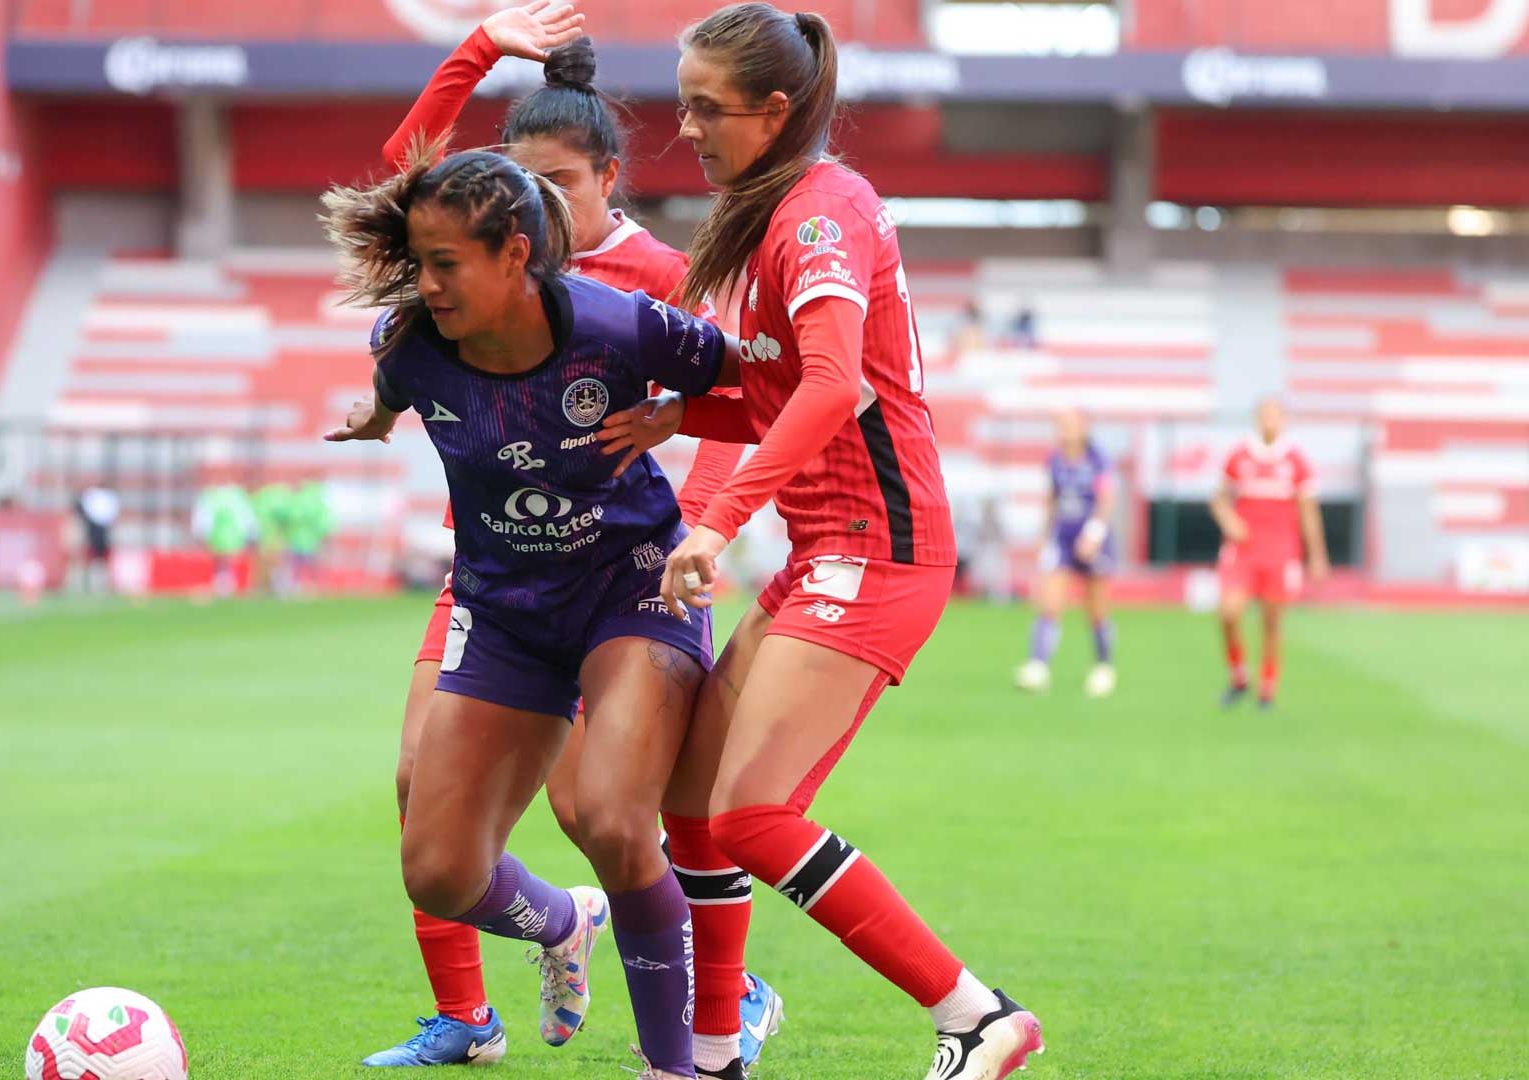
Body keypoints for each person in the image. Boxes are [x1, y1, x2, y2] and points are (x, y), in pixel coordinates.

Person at [599, 7, 1041, 1078]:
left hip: (880, 553)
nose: (687, 126)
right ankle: (713, 1056)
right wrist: (682, 417)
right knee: (695, 811)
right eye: (683, 101)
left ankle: (977, 1018)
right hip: (826, 552)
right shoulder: (765, 218)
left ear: (776, 110)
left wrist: (714, 518)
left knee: (752, 813)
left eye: (708, 107)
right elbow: (784, 389)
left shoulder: (821, 213)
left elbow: (838, 386)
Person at [362, 8, 775, 1073]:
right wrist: (480, 48)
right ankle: (490, 996)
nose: (541, 205)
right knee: (425, 799)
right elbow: (395, 182)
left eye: (559, 185)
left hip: (622, 565)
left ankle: (703, 1008)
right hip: (496, 574)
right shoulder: (445, 285)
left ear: (605, 180)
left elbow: (738, 389)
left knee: (604, 808)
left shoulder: (639, 291)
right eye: (522, 181)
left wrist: (712, 526)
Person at [1210, 397, 1328, 709]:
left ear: (1285, 420)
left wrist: (1316, 555)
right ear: (1256, 419)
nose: (1269, 421)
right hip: (1243, 549)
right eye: (1264, 415)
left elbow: (1308, 511)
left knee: (1272, 621)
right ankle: (1238, 675)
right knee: (1228, 612)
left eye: (1275, 416)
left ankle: (1267, 687)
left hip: (1281, 550)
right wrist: (1229, 520)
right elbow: (1219, 499)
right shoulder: (1239, 456)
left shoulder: (1295, 460)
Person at [1014, 409, 1118, 697]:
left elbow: (1107, 498)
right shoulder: (1055, 459)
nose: (1063, 431)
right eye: (1060, 426)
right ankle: (1038, 666)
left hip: (1093, 540)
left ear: (1084, 428)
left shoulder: (1098, 458)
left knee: (1096, 609)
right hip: (1063, 537)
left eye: (1069, 426)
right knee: (1050, 602)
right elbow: (1052, 499)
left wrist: (1094, 533)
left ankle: (1103, 666)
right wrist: (1044, 537)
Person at [192, 481, 254, 597]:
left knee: (224, 561)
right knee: (223, 561)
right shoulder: (217, 497)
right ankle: (224, 584)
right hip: (226, 536)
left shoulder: (214, 498)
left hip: (222, 536)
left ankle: (224, 585)